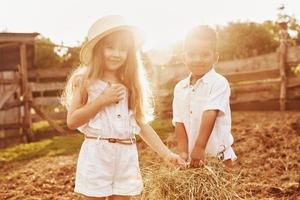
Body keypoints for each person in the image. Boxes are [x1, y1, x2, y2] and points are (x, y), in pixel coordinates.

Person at [61, 15, 185, 200]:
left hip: (126, 156)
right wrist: (101, 100)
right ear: (97, 50)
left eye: (123, 49)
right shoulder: (85, 81)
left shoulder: (130, 84)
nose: (116, 54)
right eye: (109, 47)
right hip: (97, 156)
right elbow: (72, 121)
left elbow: (141, 125)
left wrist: (167, 154)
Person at [172, 25, 237, 169]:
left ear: (215, 57)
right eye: (192, 54)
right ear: (184, 57)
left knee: (223, 190)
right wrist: (183, 152)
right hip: (194, 160)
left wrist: (200, 147)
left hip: (218, 158)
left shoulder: (218, 83)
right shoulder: (180, 88)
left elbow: (210, 112)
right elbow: (179, 122)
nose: (198, 59)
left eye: (205, 54)